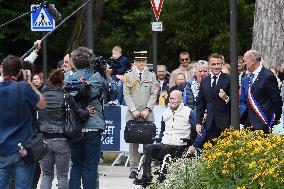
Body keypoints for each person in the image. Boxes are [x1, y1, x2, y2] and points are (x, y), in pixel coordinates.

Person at [133, 90, 206, 187]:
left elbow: (202, 131)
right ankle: (146, 177)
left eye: (175, 99)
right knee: (149, 147)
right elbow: (162, 132)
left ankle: (162, 175)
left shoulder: (188, 112)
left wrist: (194, 145)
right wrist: (159, 140)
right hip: (165, 144)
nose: (172, 101)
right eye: (171, 98)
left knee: (165, 149)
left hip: (179, 146)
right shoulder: (166, 112)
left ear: (181, 100)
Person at [38, 69, 95, 189]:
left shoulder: (42, 95)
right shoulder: (65, 96)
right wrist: (87, 112)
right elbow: (79, 113)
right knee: (62, 175)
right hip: (61, 139)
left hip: (44, 139)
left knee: (46, 175)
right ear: (63, 81)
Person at [68, 47, 114, 189]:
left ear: (73, 63)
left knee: (76, 165)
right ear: (89, 62)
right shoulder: (97, 77)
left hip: (74, 126)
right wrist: (108, 75)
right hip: (93, 126)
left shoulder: (67, 78)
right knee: (90, 167)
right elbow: (114, 91)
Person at [0, 55, 46, 188]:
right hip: (22, 148)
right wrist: (29, 81)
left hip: (2, 148)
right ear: (20, 72)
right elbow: (42, 104)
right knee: (23, 185)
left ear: (2, 70)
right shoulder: (24, 88)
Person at [123, 51, 159, 179]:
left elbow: (154, 93)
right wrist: (133, 110)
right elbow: (126, 94)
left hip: (146, 114)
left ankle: (147, 168)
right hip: (133, 114)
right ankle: (133, 169)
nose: (141, 63)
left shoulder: (151, 75)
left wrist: (148, 109)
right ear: (135, 62)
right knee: (133, 144)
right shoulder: (128, 75)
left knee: (148, 142)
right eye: (139, 61)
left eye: (143, 61)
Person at [239, 50, 282, 133]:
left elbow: (276, 100)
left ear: (252, 61)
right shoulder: (246, 77)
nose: (244, 64)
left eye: (245, 61)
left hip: (262, 122)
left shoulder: (268, 76)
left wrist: (276, 118)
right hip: (248, 123)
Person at [196, 53, 231, 144]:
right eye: (213, 64)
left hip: (226, 123)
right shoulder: (205, 81)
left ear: (222, 64)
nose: (216, 67)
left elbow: (236, 103)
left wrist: (226, 98)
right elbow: (200, 104)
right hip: (210, 124)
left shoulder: (229, 79)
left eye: (218, 64)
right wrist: (199, 123)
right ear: (209, 65)